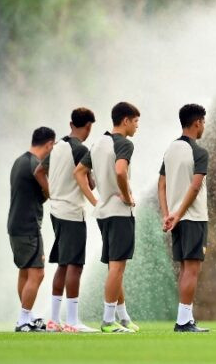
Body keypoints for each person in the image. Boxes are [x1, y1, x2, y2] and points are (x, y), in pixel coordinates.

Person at [74, 101, 140, 333]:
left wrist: (96, 201)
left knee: (114, 265)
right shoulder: (125, 144)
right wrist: (127, 195)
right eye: (135, 121)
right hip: (120, 212)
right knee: (117, 267)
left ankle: (122, 317)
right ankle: (107, 320)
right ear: (125, 121)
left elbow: (79, 172)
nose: (137, 127)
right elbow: (120, 171)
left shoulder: (99, 142)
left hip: (104, 213)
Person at [34, 108, 98, 333]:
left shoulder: (58, 146)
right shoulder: (81, 149)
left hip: (57, 210)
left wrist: (53, 192)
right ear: (88, 127)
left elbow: (38, 172)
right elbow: (90, 184)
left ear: (71, 123)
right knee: (75, 265)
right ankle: (72, 320)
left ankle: (53, 320)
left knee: (63, 263)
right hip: (72, 212)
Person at [158, 104, 210, 333]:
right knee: (192, 269)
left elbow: (161, 184)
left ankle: (184, 318)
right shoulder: (199, 152)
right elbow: (196, 186)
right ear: (197, 122)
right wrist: (178, 214)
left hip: (176, 218)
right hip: (193, 218)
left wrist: (167, 214)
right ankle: (183, 321)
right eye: (203, 122)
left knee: (184, 268)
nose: (204, 127)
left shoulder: (170, 149)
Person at [9, 126, 56, 332]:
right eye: (52, 146)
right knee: (37, 273)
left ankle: (28, 316)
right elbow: (49, 192)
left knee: (25, 272)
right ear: (48, 144)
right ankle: (23, 319)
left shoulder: (20, 161)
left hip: (15, 224)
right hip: (28, 225)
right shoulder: (35, 164)